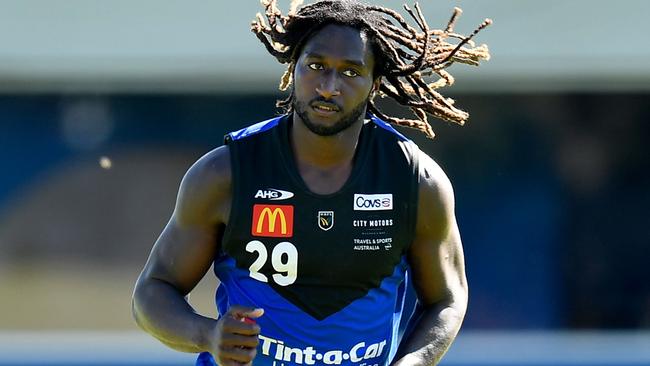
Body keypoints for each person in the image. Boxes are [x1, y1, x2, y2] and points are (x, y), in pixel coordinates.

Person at [132, 1, 490, 365]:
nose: (329, 86)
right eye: (316, 66)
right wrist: (206, 335)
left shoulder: (416, 181)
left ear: (374, 84)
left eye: (351, 72)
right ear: (294, 68)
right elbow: (152, 291)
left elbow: (447, 298)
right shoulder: (226, 173)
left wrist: (410, 363)